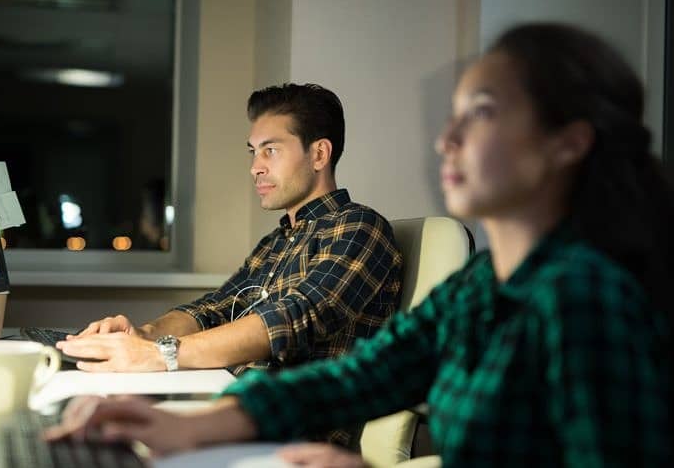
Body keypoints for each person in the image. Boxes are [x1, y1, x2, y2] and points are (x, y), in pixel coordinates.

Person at [46, 23, 673, 466]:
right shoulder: (482, 289)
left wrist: (166, 363)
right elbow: (361, 376)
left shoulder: (586, 298)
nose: (445, 139)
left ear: (568, 142)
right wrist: (186, 424)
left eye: (480, 112)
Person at [56, 83, 402, 446]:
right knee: (95, 426)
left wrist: (158, 354)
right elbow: (213, 309)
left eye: (271, 151)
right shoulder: (277, 241)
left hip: (294, 438)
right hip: (235, 409)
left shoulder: (359, 227)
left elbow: (293, 320)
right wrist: (143, 334)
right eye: (254, 152)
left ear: (319, 154)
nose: (255, 167)